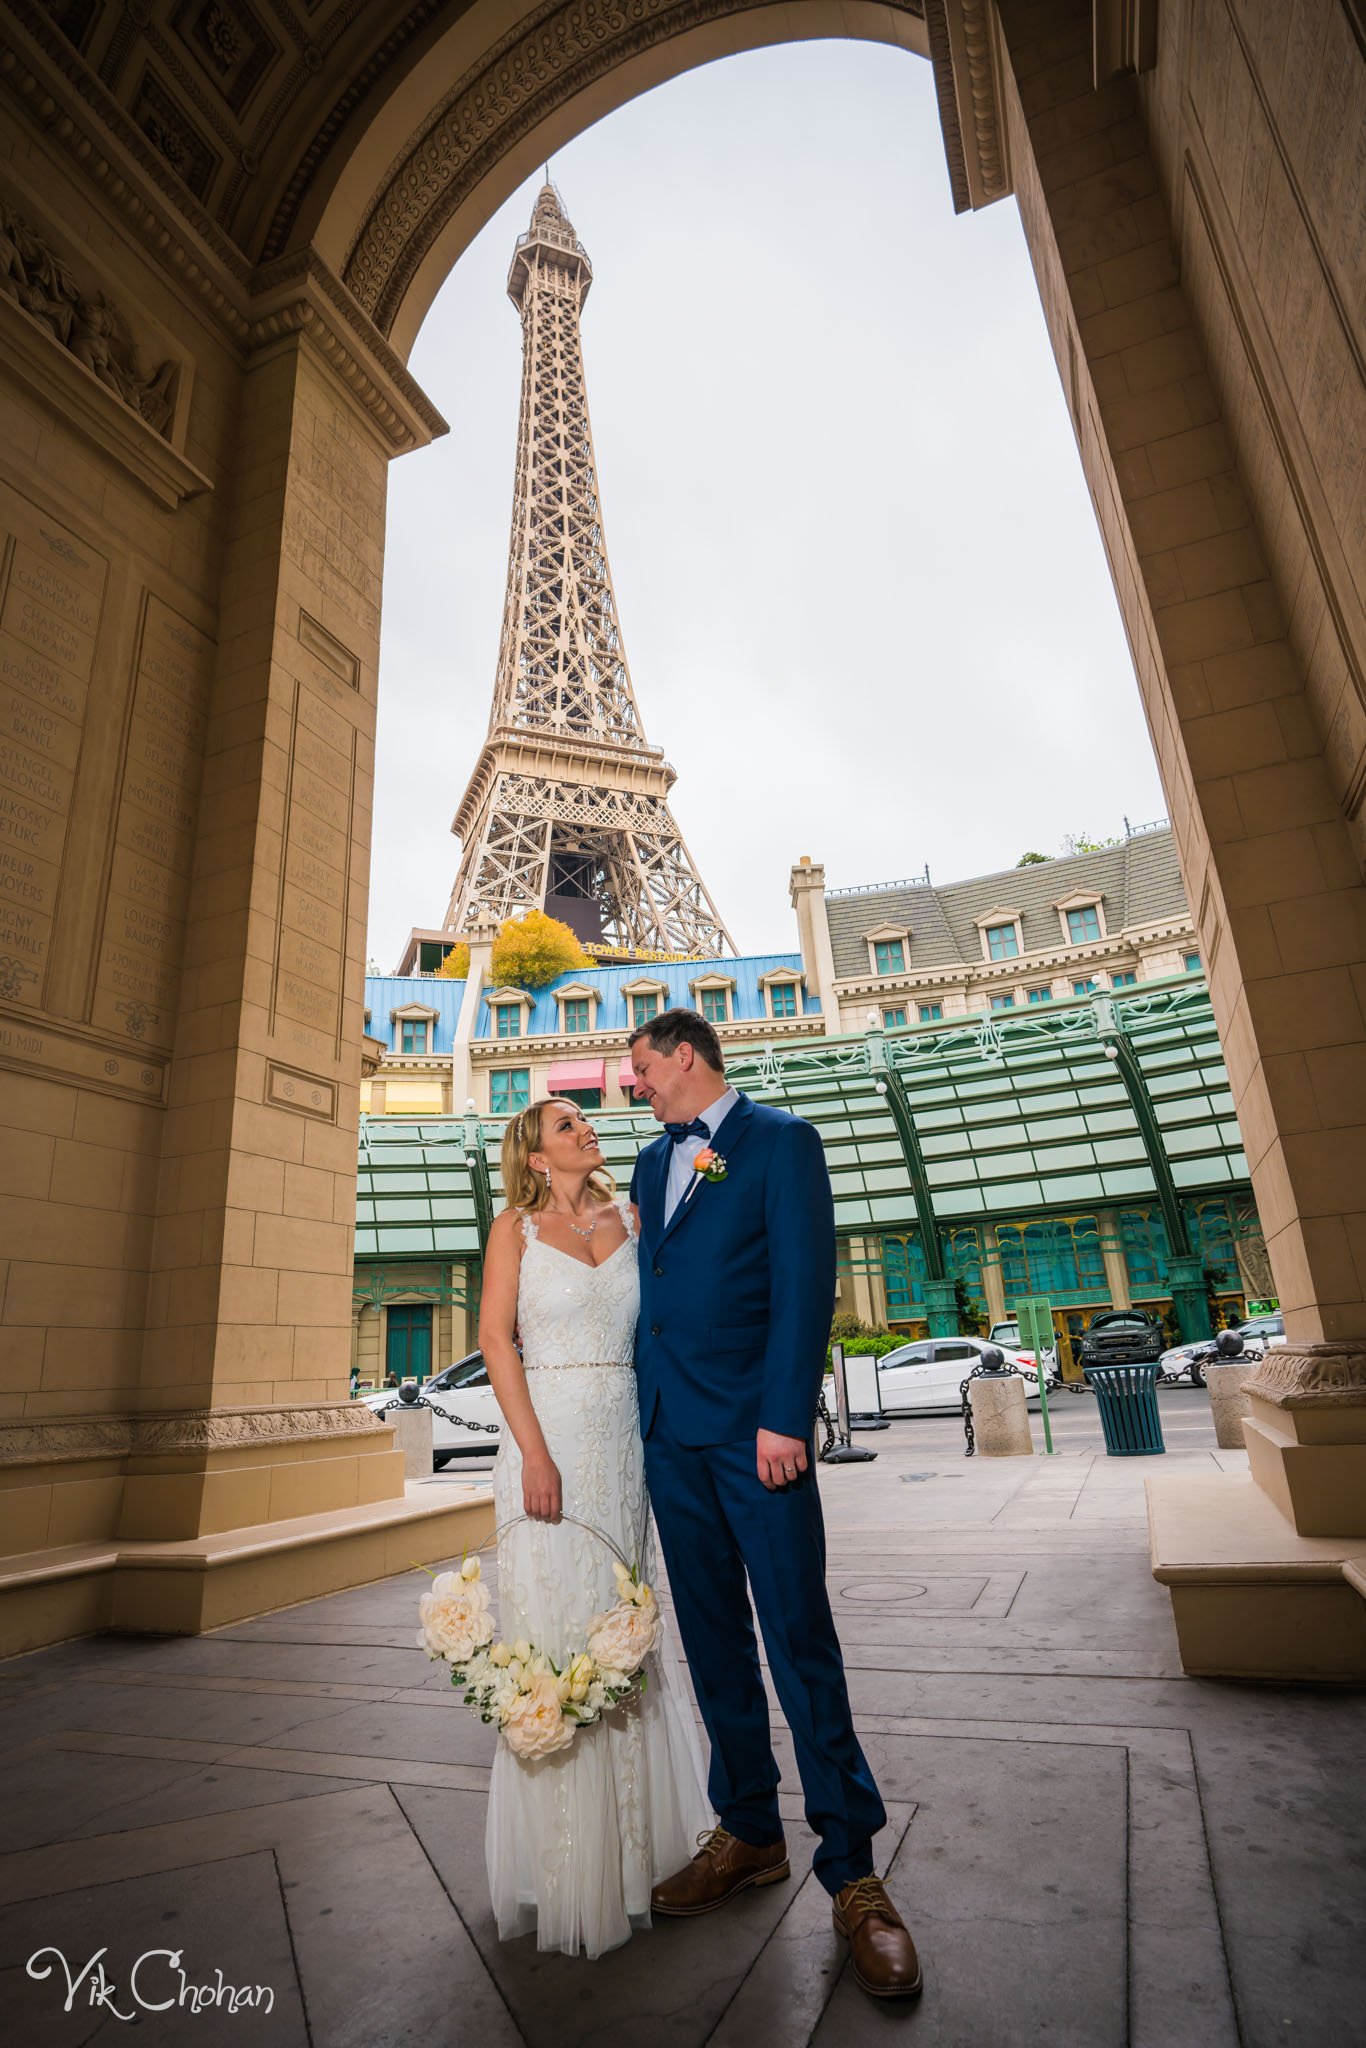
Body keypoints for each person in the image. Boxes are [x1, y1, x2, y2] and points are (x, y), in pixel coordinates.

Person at [628, 1009, 923, 2001]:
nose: (637, 1087)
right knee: (712, 1641)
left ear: (686, 1057)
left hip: (759, 1439)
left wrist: (785, 1412)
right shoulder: (648, 1162)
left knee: (799, 1639)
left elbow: (805, 1281)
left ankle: (853, 1871)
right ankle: (748, 1827)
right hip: (671, 1436)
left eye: (643, 1069)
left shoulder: (782, 1142)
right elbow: (657, 1284)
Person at [477, 1099, 710, 1958]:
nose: (585, 1129)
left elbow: (673, 1306)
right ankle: (565, 1862)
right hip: (549, 1443)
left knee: (624, 1630)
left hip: (625, 1444)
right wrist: (534, 1453)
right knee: (557, 1634)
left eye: (585, 1120)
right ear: (536, 1157)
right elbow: (498, 1342)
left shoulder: (634, 1216)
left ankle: (638, 1845)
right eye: (565, 1124)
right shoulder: (514, 1228)